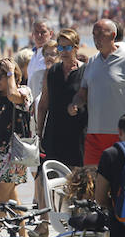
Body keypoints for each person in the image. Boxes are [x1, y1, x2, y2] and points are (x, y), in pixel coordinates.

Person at [68, 20, 125, 166]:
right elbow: (82, 93)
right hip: (94, 134)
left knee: (120, 183)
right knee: (92, 181)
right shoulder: (92, 62)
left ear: (113, 35)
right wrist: (75, 103)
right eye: (94, 35)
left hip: (122, 133)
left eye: (100, 34)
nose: (96, 39)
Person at [0, 57, 32, 205]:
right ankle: (22, 229)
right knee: (9, 198)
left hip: (14, 153)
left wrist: (10, 73)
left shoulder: (24, 91)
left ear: (14, 75)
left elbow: (12, 95)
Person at [36, 28, 87, 167]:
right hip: (54, 134)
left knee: (75, 180)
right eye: (60, 47)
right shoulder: (51, 72)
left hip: (76, 135)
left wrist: (77, 106)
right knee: (51, 180)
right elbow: (43, 104)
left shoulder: (85, 71)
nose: (63, 51)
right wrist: (39, 133)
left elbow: (90, 101)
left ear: (76, 48)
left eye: (68, 47)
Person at [26, 19, 54, 107]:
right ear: (32, 35)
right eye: (36, 32)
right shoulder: (33, 55)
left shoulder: (53, 55)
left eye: (43, 32)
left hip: (46, 105)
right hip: (32, 106)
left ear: (51, 34)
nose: (39, 35)